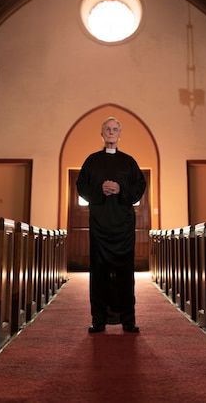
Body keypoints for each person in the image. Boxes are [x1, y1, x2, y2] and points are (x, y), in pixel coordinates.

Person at [76, 117, 146, 333]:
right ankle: (98, 320)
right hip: (99, 226)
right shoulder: (91, 161)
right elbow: (81, 186)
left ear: (120, 134)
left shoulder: (129, 162)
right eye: (107, 129)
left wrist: (120, 190)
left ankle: (128, 320)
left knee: (125, 272)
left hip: (123, 227)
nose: (111, 132)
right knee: (99, 273)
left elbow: (140, 186)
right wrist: (100, 189)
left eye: (115, 129)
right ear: (102, 133)